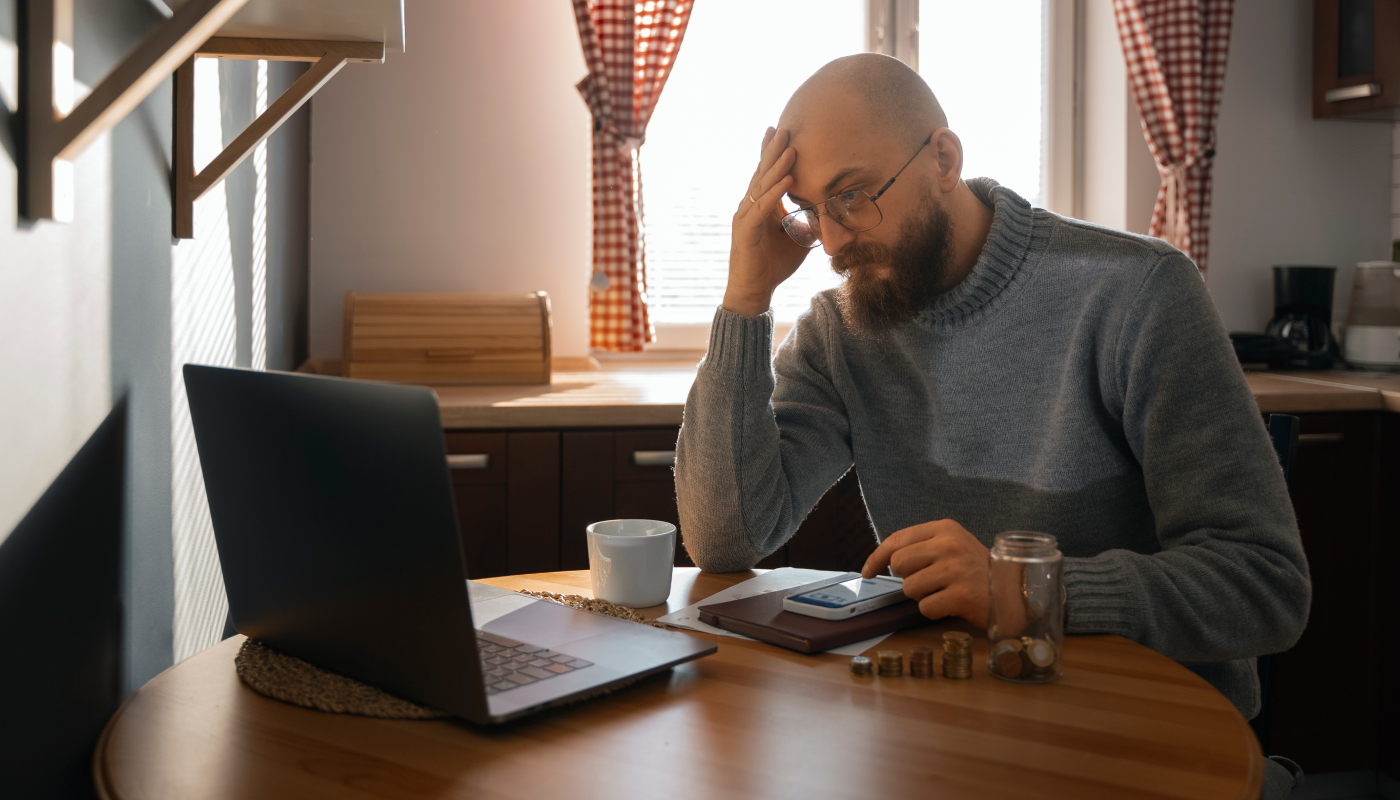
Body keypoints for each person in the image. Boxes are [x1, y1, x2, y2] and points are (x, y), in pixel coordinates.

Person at [673, 54, 1309, 797]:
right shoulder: (841, 331)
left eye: (852, 196)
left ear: (944, 158)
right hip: (954, 733)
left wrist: (1027, 590)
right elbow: (725, 536)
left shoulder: (1136, 294)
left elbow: (1266, 587)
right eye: (812, 212)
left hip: (1149, 741)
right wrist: (745, 296)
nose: (835, 244)